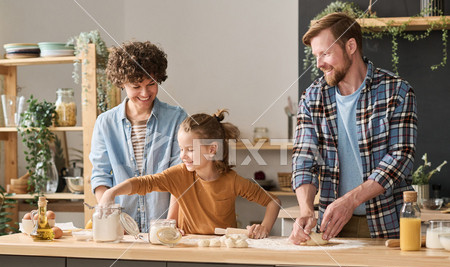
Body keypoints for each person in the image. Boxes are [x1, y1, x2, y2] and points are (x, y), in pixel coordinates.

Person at [289, 12, 417, 243]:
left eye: (325, 53)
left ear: (350, 46)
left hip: (387, 224)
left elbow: (401, 156)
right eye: (316, 56)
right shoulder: (311, 98)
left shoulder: (396, 91)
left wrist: (350, 200)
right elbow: (304, 159)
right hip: (332, 226)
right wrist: (306, 210)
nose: (319, 64)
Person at [98, 110, 280, 238]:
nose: (183, 156)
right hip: (187, 251)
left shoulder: (232, 181)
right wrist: (111, 192)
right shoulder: (179, 175)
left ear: (212, 149)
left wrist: (264, 228)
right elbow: (144, 183)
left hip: (222, 254)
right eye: (181, 149)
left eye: (190, 150)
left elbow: (273, 202)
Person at [89, 41, 187, 232]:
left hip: (166, 224)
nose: (145, 93)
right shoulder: (105, 122)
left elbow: (181, 174)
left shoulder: (177, 118)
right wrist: (112, 218)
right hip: (121, 227)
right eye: (136, 86)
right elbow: (100, 175)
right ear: (121, 83)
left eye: (151, 84)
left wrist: (169, 224)